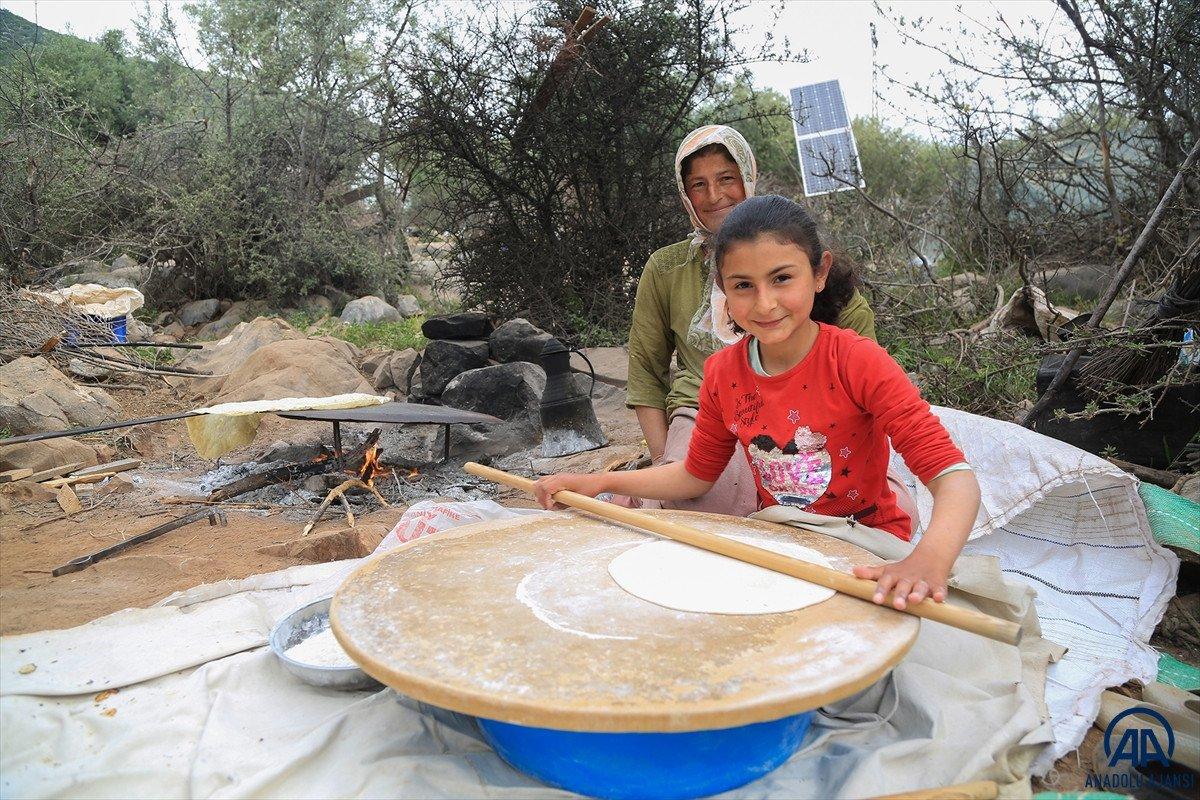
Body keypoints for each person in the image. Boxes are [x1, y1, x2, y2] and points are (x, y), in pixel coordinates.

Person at [535, 196, 980, 608]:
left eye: (782, 278)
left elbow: (954, 479)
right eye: (743, 285)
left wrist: (927, 562)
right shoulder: (723, 373)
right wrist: (599, 484)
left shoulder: (857, 361)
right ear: (722, 289)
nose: (765, 304)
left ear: (819, 272)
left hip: (861, 545)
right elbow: (694, 476)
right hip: (781, 540)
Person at [624, 124, 882, 518]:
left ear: (747, 176)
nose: (714, 196)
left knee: (858, 507)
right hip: (702, 413)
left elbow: (866, 366)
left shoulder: (794, 254)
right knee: (700, 505)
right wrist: (666, 462)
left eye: (726, 178)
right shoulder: (666, 268)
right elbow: (645, 370)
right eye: (698, 184)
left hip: (809, 414)